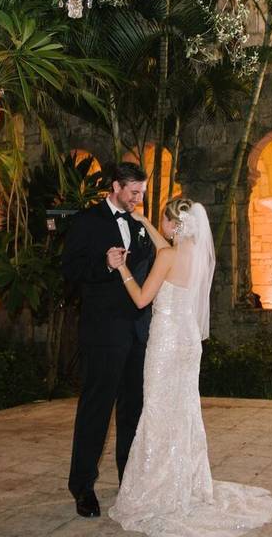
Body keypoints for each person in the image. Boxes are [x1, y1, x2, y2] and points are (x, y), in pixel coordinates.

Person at [107, 198, 272, 536]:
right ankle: (186, 481)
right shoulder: (195, 253)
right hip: (188, 342)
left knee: (157, 409)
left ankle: (157, 487)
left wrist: (121, 268)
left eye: (163, 222)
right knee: (183, 410)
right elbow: (164, 245)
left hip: (166, 342)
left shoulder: (168, 257)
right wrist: (142, 221)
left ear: (174, 225)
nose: (163, 228)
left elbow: (142, 299)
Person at [61, 162, 156, 518]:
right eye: (133, 192)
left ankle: (128, 482)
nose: (137, 199)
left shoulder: (138, 224)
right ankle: (82, 487)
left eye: (141, 193)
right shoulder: (87, 222)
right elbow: (69, 271)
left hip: (136, 333)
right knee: (95, 412)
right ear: (115, 186)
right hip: (102, 334)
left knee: (132, 411)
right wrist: (103, 264)